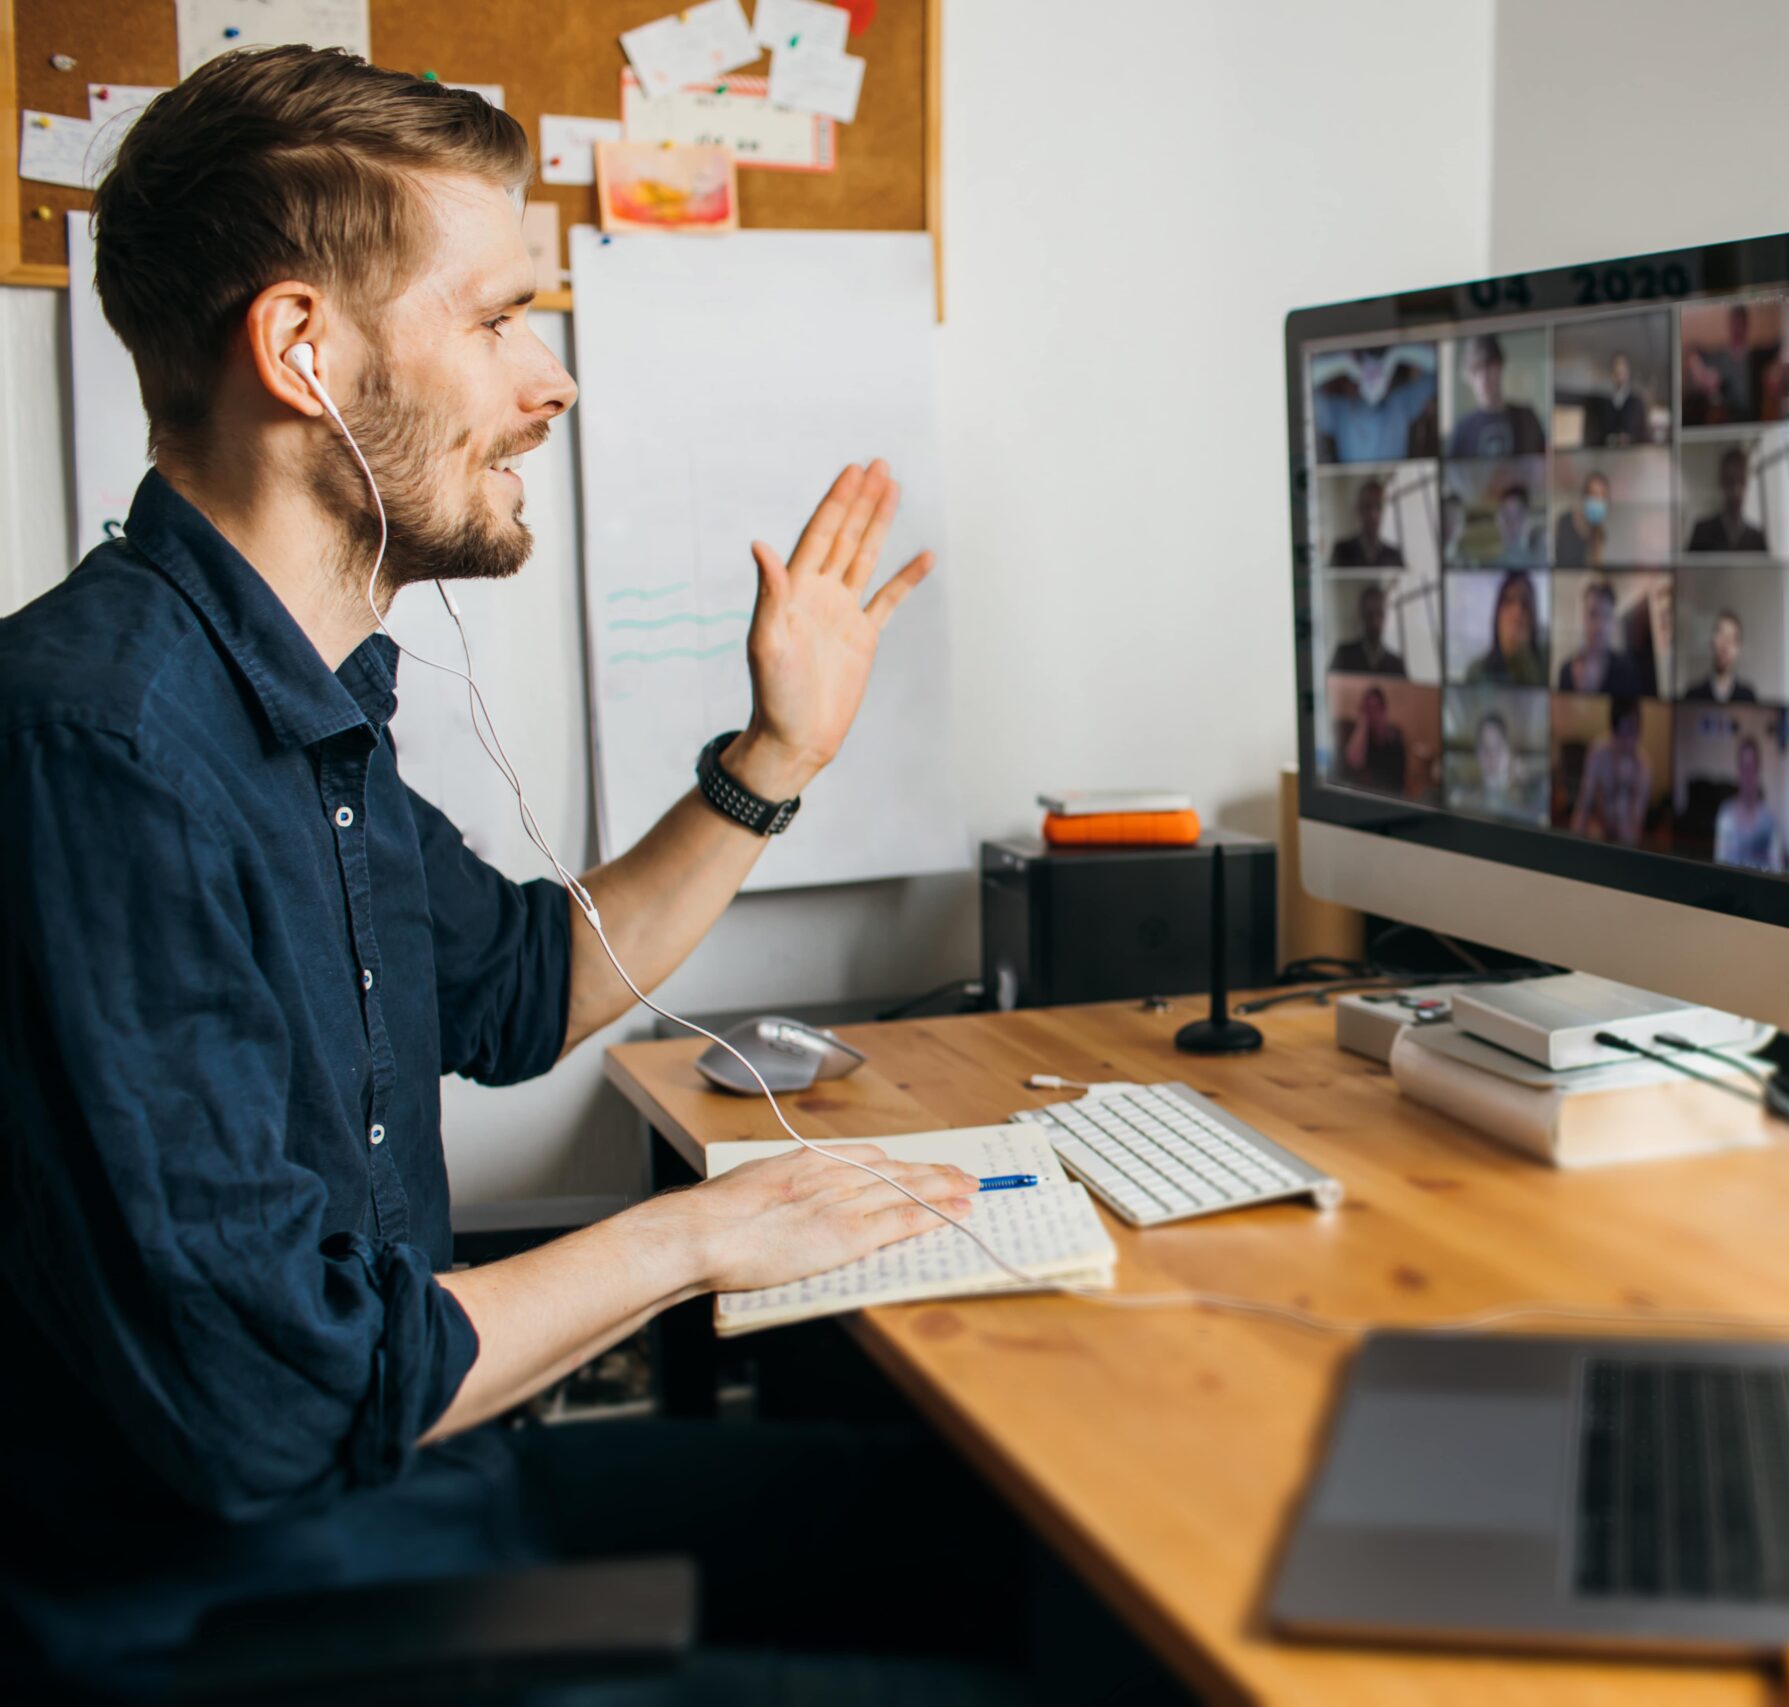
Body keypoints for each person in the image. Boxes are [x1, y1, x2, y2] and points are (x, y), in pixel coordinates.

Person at [0, 50, 1051, 1703]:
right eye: (495, 320)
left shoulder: (291, 698)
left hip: (422, 1507)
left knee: (1014, 1550)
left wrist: (775, 755)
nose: (548, 380)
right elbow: (270, 1401)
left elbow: (517, 991)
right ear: (302, 353)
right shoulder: (104, 746)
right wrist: (698, 1239)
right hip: (242, 1622)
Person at [1314, 344, 1436, 463]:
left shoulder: (1402, 403)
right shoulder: (1338, 412)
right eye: (1366, 371)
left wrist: (1396, 354)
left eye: (1379, 369)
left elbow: (1442, 367)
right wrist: (1343, 364)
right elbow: (1302, 379)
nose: (1373, 379)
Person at [1570, 696, 1653, 845]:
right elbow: (1584, 803)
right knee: (1593, 832)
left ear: (1639, 730)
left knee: (1628, 836)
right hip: (1598, 827)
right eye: (1621, 731)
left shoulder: (1643, 767)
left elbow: (1636, 827)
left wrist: (1625, 787)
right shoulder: (1598, 753)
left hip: (1626, 833)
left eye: (1632, 731)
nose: (1626, 740)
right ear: (1613, 731)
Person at [1448, 334, 1546, 458]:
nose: (1483, 378)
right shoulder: (1463, 429)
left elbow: (1544, 465)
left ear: (1500, 366)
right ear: (1468, 376)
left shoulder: (1527, 418)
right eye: (1476, 369)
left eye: (1489, 367)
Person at [1558, 578, 1642, 695]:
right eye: (1593, 614)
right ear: (1583, 618)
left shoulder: (1626, 669)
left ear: (1612, 622)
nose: (1599, 625)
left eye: (1606, 615)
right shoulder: (1566, 670)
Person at [1714, 736, 1785, 872]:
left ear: (1758, 770)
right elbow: (1718, 865)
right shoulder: (1725, 815)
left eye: (1752, 767)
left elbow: (1777, 871)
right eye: (1744, 767)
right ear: (1738, 770)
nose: (1748, 775)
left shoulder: (1770, 821)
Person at [1465, 570, 1547, 687]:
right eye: (1508, 601)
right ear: (1497, 615)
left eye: (1525, 604)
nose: (1517, 613)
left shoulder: (1544, 669)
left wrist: (1523, 658)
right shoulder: (1477, 672)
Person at [1686, 444, 1768, 553]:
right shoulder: (1701, 532)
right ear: (1721, 482)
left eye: (1741, 480)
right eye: (1730, 480)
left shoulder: (1757, 538)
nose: (1736, 489)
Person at [1686, 301, 1757, 425]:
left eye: (1739, 322)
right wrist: (1699, 369)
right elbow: (1692, 350)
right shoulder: (1721, 355)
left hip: (1751, 417)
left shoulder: (1755, 355)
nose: (1736, 327)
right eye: (1733, 322)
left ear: (1746, 324)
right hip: (1726, 418)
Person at [1462, 710, 1538, 821]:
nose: (1492, 758)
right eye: (1485, 748)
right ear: (1477, 754)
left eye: (1498, 748)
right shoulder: (1464, 803)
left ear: (1509, 753)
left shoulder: (1529, 808)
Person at [1339, 684, 1409, 794]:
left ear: (1383, 710)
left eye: (1376, 709)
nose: (1372, 715)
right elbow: (1354, 761)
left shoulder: (1394, 739)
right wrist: (1363, 722)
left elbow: (1399, 785)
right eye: (1367, 710)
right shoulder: (1360, 737)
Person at [1327, 582, 1407, 676]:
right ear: (1362, 615)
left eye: (1379, 614)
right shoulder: (1343, 655)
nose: (1375, 621)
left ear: (1385, 616)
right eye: (1369, 614)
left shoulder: (1396, 664)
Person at [1683, 608, 1759, 704]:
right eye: (1721, 635)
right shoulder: (1693, 695)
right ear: (1712, 641)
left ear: (1738, 648)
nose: (1725, 645)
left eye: (1732, 639)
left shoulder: (1748, 697)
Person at [1328, 476, 1405, 568]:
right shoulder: (1341, 550)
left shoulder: (1394, 555)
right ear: (1359, 510)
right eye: (1367, 506)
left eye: (1378, 506)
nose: (1373, 515)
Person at [1585, 350, 1652, 446]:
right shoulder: (1604, 402)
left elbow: (1644, 434)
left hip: (1633, 454)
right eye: (1617, 370)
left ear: (1628, 372)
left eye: (1622, 370)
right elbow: (1597, 434)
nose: (1619, 373)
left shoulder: (1637, 402)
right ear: (1612, 373)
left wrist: (1629, 438)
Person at [1553, 470, 1609, 568]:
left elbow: (1597, 568)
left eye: (1602, 496)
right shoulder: (1564, 520)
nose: (1598, 500)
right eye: (1594, 494)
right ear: (1585, 496)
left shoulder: (1600, 534)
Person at [1494, 483, 1547, 568]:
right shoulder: (1497, 564)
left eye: (1519, 516)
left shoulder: (1542, 557)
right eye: (1506, 515)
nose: (1512, 524)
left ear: (1528, 519)